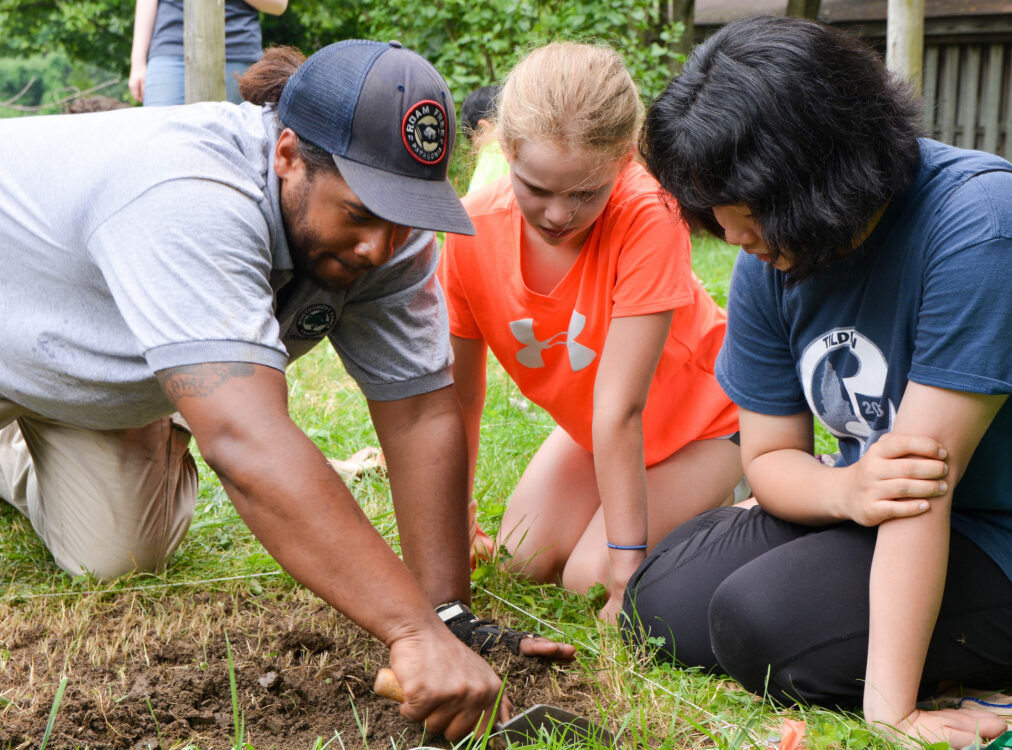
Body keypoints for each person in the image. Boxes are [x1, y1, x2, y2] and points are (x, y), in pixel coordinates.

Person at [0, 39, 572, 742]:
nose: (379, 248)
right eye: (360, 216)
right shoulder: (190, 195)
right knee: (228, 420)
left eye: (401, 217)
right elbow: (247, 444)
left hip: (86, 368)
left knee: (115, 554)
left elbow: (421, 413)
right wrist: (406, 630)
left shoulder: (387, 232)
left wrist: (446, 617)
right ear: (288, 156)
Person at [625, 15, 1012, 749]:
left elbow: (917, 487)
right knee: (664, 603)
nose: (730, 235)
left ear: (816, 169)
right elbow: (768, 458)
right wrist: (843, 491)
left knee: (762, 626)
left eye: (745, 212)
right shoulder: (767, 258)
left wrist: (889, 713)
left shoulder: (983, 229)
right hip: (881, 501)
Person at [439, 42, 744, 624]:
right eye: (537, 189)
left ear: (625, 159)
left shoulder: (650, 215)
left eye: (585, 193)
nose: (559, 214)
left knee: (588, 577)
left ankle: (741, 498)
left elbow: (621, 406)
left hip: (707, 425)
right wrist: (457, 522)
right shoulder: (470, 232)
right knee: (520, 557)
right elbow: (460, 399)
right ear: (505, 149)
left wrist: (627, 574)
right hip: (598, 435)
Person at [128, 0, 288, 106]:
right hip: (170, 48)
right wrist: (137, 61)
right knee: (160, 143)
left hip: (235, 52)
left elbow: (278, 4)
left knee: (228, 149)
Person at [460, 84, 509, 195]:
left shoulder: (493, 149)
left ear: (483, 127)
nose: (477, 151)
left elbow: (473, 205)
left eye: (476, 145)